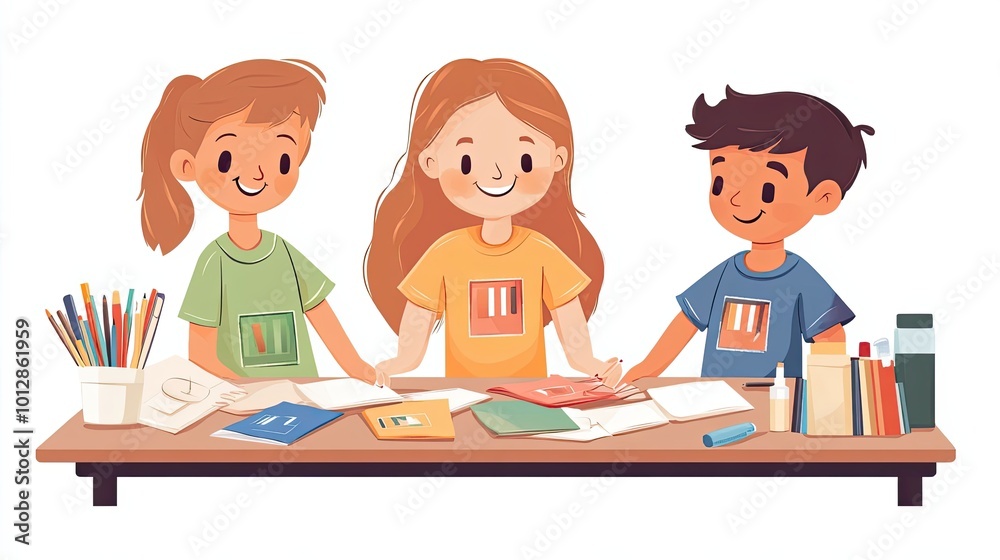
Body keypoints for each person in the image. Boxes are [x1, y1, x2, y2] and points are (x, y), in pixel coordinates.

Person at [365, 58, 620, 386]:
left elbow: (573, 339)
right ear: (430, 162)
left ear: (557, 159)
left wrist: (594, 365)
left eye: (524, 159)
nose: (497, 174)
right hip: (464, 395)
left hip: (530, 394)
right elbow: (413, 340)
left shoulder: (543, 252)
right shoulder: (445, 252)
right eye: (467, 161)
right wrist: (394, 365)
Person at [607, 87, 874, 385]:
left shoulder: (801, 278)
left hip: (776, 401)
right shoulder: (726, 273)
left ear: (823, 197)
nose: (735, 198)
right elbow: (685, 324)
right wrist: (646, 369)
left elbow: (829, 336)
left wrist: (829, 394)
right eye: (720, 182)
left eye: (767, 189)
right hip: (714, 398)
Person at [138, 59, 375, 381]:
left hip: (304, 395)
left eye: (282, 159)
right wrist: (243, 391)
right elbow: (201, 352)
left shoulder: (285, 254)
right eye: (227, 158)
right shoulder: (215, 262)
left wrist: (357, 368)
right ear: (186, 166)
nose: (258, 173)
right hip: (240, 402)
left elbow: (320, 313)